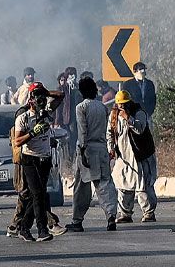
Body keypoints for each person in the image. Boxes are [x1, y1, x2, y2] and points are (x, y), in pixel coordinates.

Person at [13, 83, 65, 242]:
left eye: (42, 97)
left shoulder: (47, 113)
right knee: (38, 194)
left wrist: (46, 92)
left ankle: (24, 227)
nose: (41, 100)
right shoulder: (23, 118)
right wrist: (33, 132)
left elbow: (61, 96)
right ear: (30, 100)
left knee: (39, 194)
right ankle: (42, 229)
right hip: (30, 158)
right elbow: (17, 141)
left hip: (45, 158)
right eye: (37, 97)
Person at [66, 77, 118, 233]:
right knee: (105, 184)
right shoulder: (102, 107)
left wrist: (82, 152)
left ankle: (77, 220)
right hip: (101, 149)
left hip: (87, 150)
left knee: (81, 187)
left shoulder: (81, 107)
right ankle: (111, 216)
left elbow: (82, 132)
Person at [109, 90, 158, 224]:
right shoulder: (114, 115)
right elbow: (110, 133)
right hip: (124, 157)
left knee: (143, 186)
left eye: (125, 104)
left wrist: (128, 118)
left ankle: (148, 213)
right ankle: (125, 213)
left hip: (140, 155)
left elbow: (139, 129)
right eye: (120, 105)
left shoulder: (139, 113)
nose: (122, 107)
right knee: (123, 185)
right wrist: (111, 148)